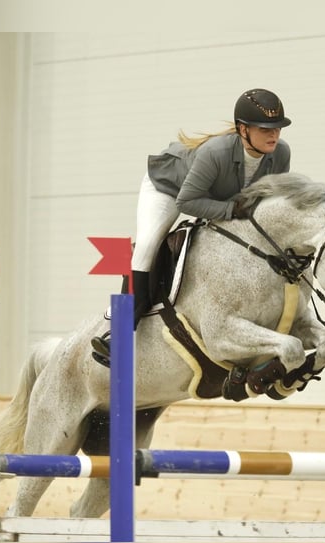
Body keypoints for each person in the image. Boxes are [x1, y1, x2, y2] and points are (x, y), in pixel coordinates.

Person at [91, 88, 292, 365]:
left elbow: (269, 202)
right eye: (265, 129)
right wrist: (231, 209)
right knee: (149, 243)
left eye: (278, 128)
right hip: (169, 188)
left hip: (211, 194)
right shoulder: (215, 152)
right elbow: (187, 202)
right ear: (243, 130)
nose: (274, 135)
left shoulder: (280, 153)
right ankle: (120, 333)